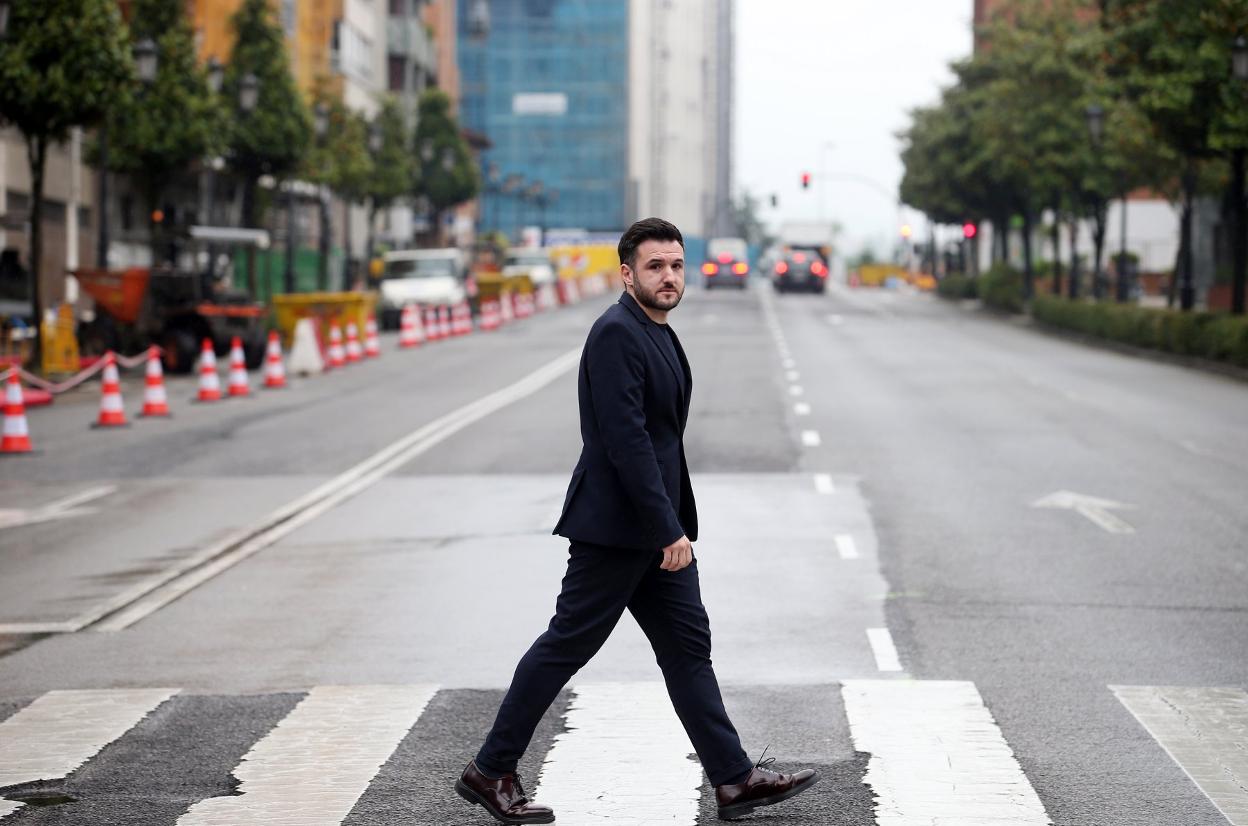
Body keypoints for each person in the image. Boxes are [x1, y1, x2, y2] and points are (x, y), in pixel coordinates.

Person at [455, 218, 819, 823]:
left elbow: (661, 436)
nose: (669, 276)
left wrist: (669, 525)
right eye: (655, 266)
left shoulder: (658, 332)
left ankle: (733, 780)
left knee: (686, 648)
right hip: (618, 529)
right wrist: (667, 529)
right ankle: (490, 769)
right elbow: (626, 443)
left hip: (652, 528)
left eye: (676, 265)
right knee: (567, 644)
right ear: (627, 273)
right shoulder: (616, 334)